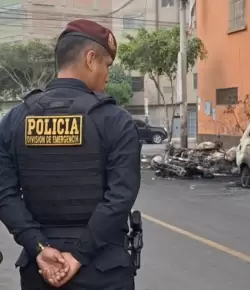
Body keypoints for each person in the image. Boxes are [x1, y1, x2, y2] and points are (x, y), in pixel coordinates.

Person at [0, 19, 141, 289]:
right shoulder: (115, 120)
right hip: (104, 271)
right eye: (106, 66)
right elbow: (120, 197)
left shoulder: (15, 120)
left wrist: (38, 247)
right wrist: (79, 255)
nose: (108, 76)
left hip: (39, 271)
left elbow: (4, 193)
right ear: (90, 59)